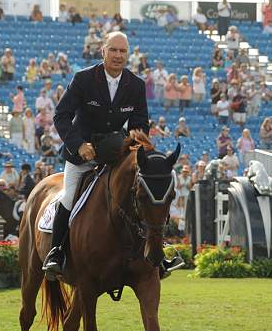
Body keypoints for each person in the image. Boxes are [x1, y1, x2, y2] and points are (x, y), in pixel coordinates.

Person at [42, 31, 182, 280]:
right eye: (113, 50)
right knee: (69, 196)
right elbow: (60, 116)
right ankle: (57, 252)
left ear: (128, 54)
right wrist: (78, 144)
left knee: (140, 197)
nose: (118, 55)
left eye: (123, 51)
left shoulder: (136, 85)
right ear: (103, 51)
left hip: (116, 153)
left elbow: (140, 122)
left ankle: (156, 256)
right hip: (82, 156)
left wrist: (138, 138)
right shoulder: (84, 79)